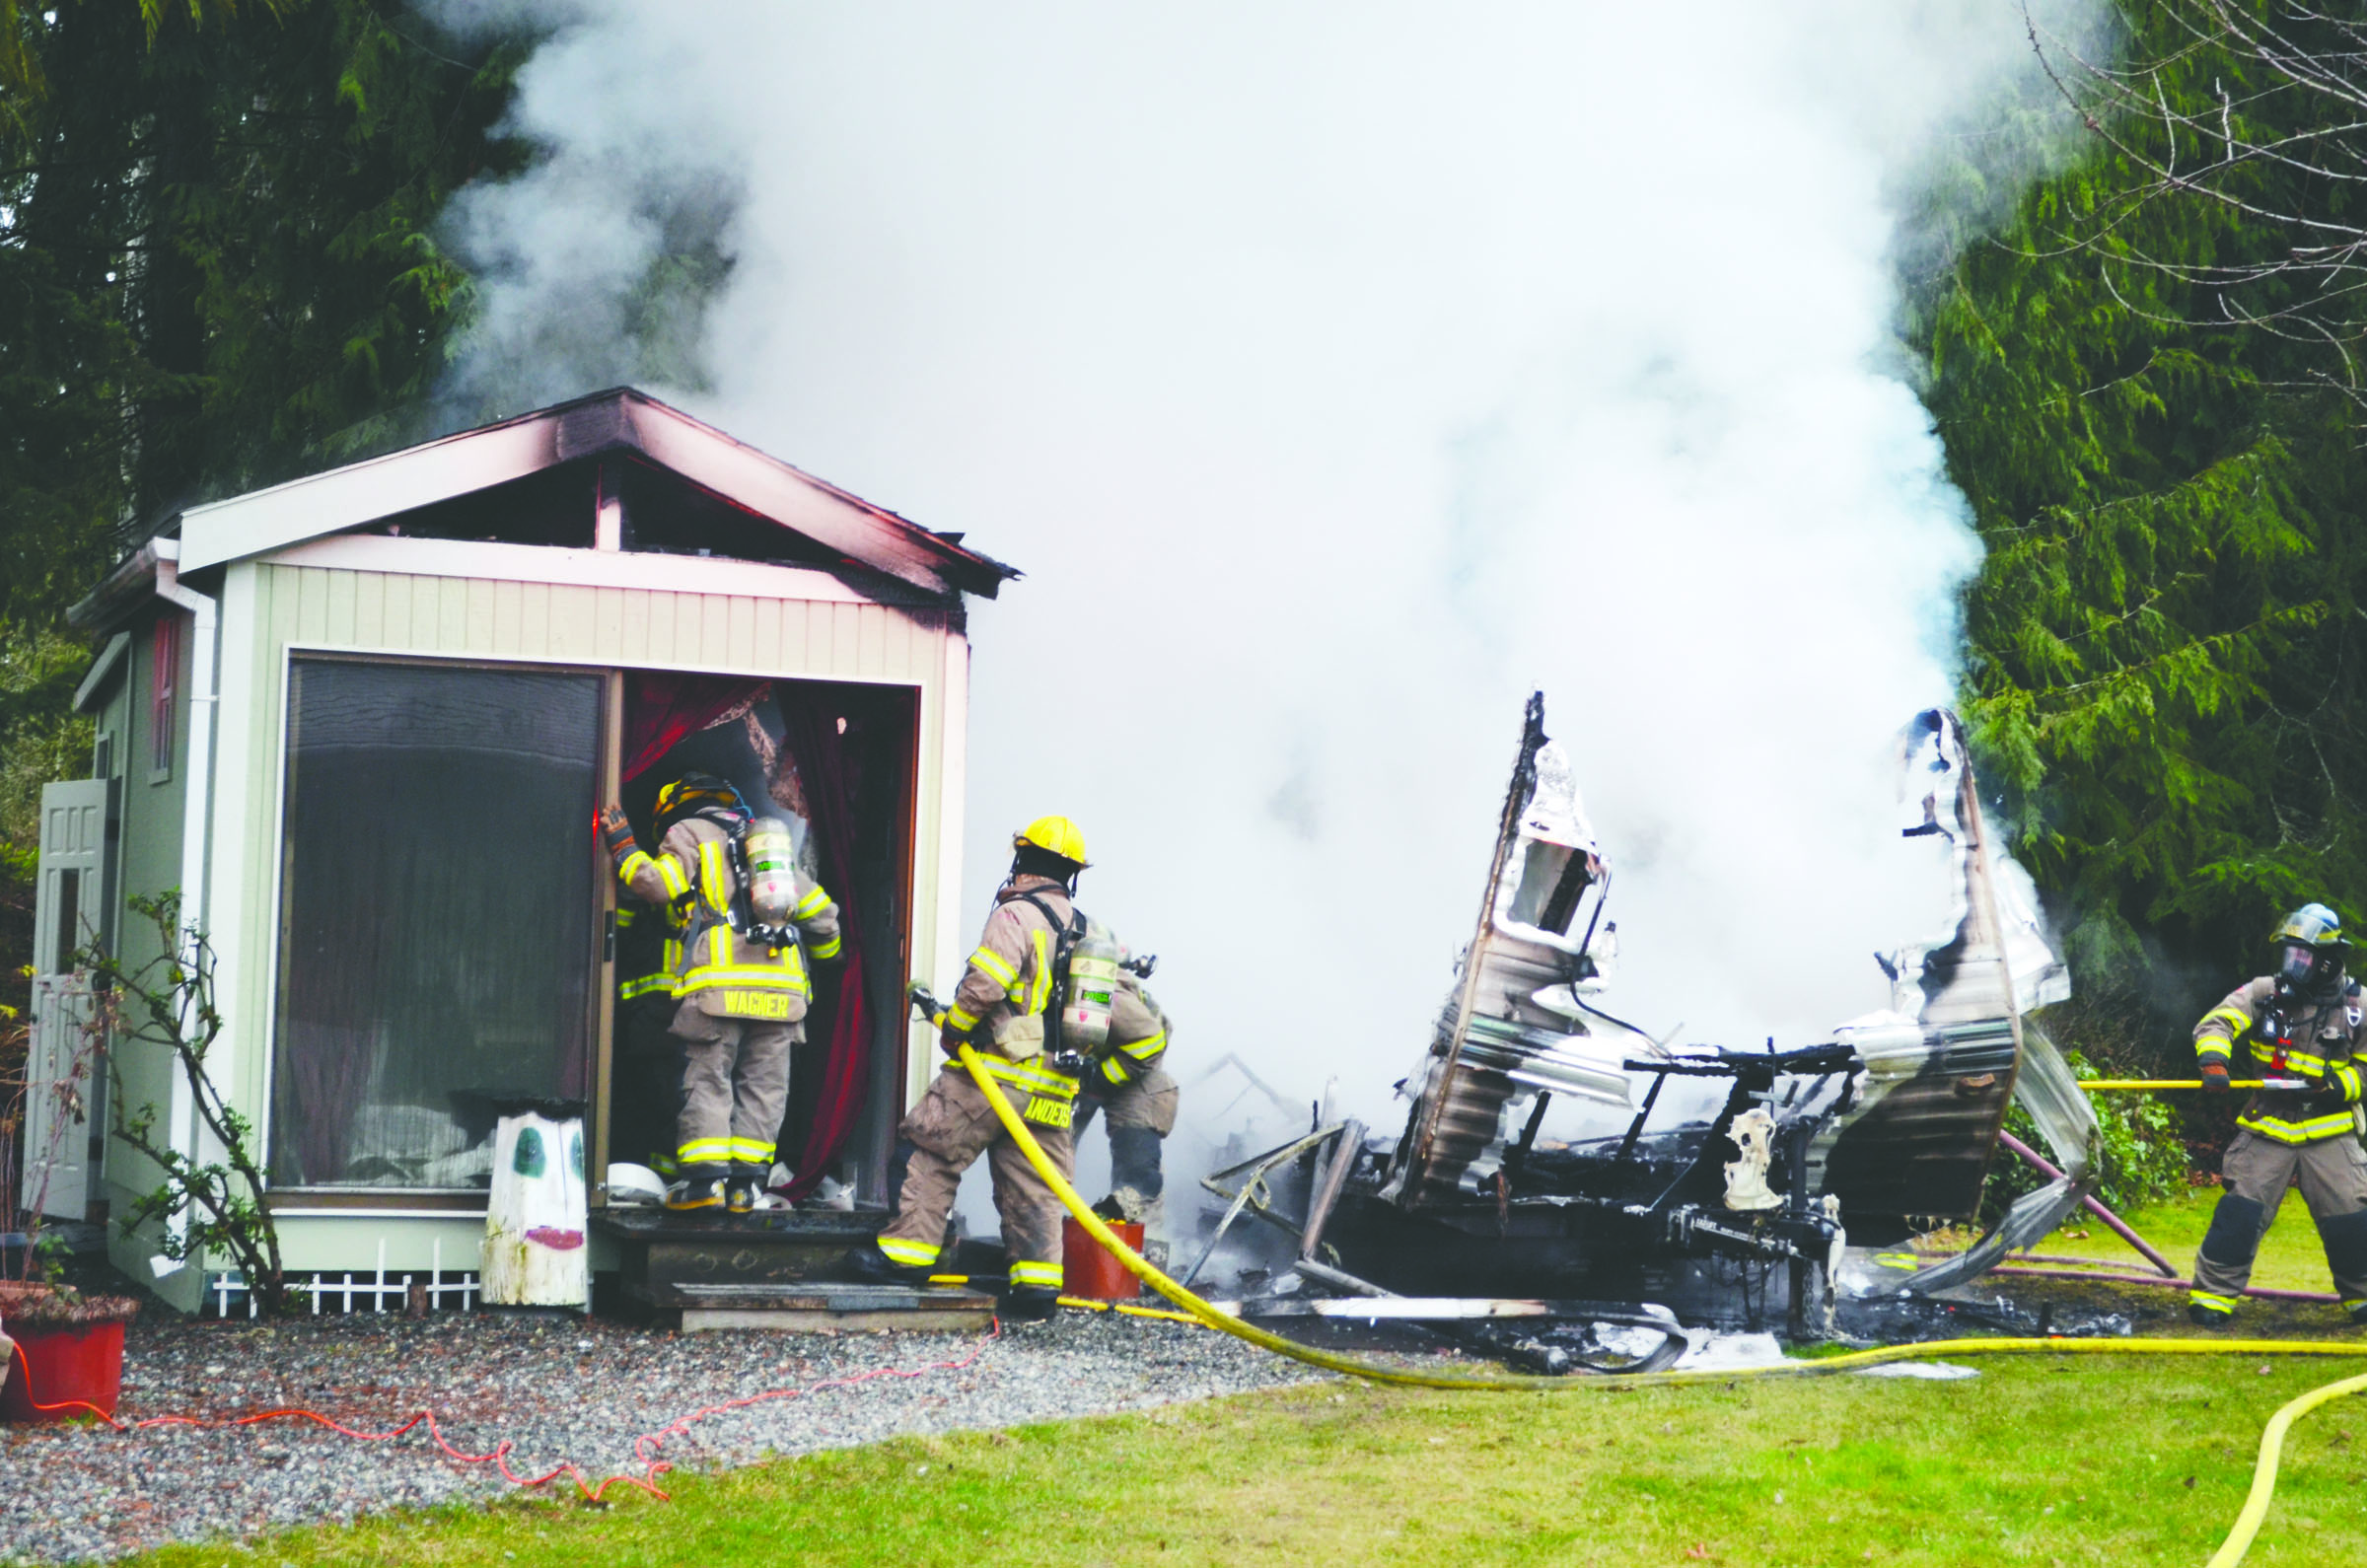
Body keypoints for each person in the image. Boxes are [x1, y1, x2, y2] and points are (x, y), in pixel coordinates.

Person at [838, 815, 1094, 1320]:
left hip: (996, 1072)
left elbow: (986, 984)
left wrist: (955, 1028)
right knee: (1034, 1183)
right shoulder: (1084, 929)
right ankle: (1038, 1289)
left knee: (929, 1147)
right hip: (1054, 1085)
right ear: (1071, 873)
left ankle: (905, 1258)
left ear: (1023, 859)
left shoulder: (1018, 915)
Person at [599, 773, 841, 1214]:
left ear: (676, 808)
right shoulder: (771, 849)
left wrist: (625, 848)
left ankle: (705, 1186)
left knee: (708, 1080)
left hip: (720, 991)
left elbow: (657, 885)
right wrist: (828, 959)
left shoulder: (688, 833)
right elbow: (824, 918)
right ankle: (744, 1191)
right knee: (764, 1090)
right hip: (782, 996)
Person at [2188, 902, 2367, 1327]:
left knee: (2352, 1221)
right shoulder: (2264, 992)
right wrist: (2214, 1062)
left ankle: (2362, 1297)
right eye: (2290, 955)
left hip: (2330, 1132)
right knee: (2238, 1216)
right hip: (2267, 1126)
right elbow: (2216, 1023)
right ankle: (2212, 1298)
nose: (2294, 964)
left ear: (2327, 961)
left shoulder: (2358, 1006)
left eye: (2303, 956)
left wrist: (2341, 1085)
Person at [1073, 968, 1179, 1258]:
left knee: (1138, 1180)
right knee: (1050, 1154)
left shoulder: (1098, 992)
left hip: (1136, 1077)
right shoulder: (1041, 988)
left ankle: (1144, 1267)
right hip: (1078, 1074)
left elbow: (1150, 1043)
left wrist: (1100, 1079)